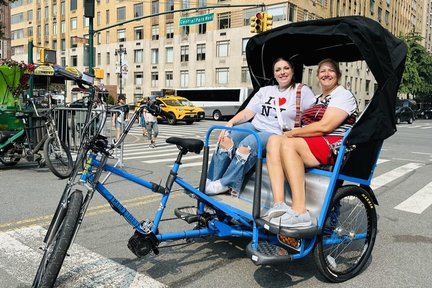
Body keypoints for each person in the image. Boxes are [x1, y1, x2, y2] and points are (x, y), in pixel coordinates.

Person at [265, 58, 358, 228]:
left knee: (288, 143)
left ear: (337, 74)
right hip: (313, 141)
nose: (326, 74)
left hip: (334, 144)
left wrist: (292, 134)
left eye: (331, 71)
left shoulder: (343, 95)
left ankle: (300, 212)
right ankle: (279, 204)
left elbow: (325, 126)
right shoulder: (317, 99)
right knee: (273, 140)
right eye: (322, 71)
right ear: (317, 76)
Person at [205, 57, 316, 195]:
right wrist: (230, 123)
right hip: (255, 126)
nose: (282, 72)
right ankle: (210, 181)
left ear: (293, 71)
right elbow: (248, 112)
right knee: (227, 138)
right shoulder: (265, 91)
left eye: (286, 68)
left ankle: (226, 183)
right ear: (274, 74)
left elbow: (314, 115)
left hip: (276, 133)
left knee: (248, 145)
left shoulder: (302, 91)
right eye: (278, 69)